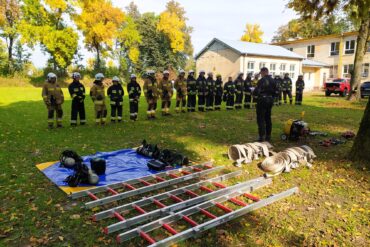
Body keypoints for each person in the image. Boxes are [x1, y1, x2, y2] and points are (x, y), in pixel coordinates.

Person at [253, 67, 277, 142]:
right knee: (268, 118)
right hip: (270, 100)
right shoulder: (273, 80)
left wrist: (253, 93)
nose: (261, 75)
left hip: (262, 100)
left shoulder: (261, 80)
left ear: (263, 72)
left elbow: (256, 91)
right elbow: (277, 91)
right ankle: (268, 136)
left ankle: (261, 136)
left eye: (261, 73)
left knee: (260, 118)